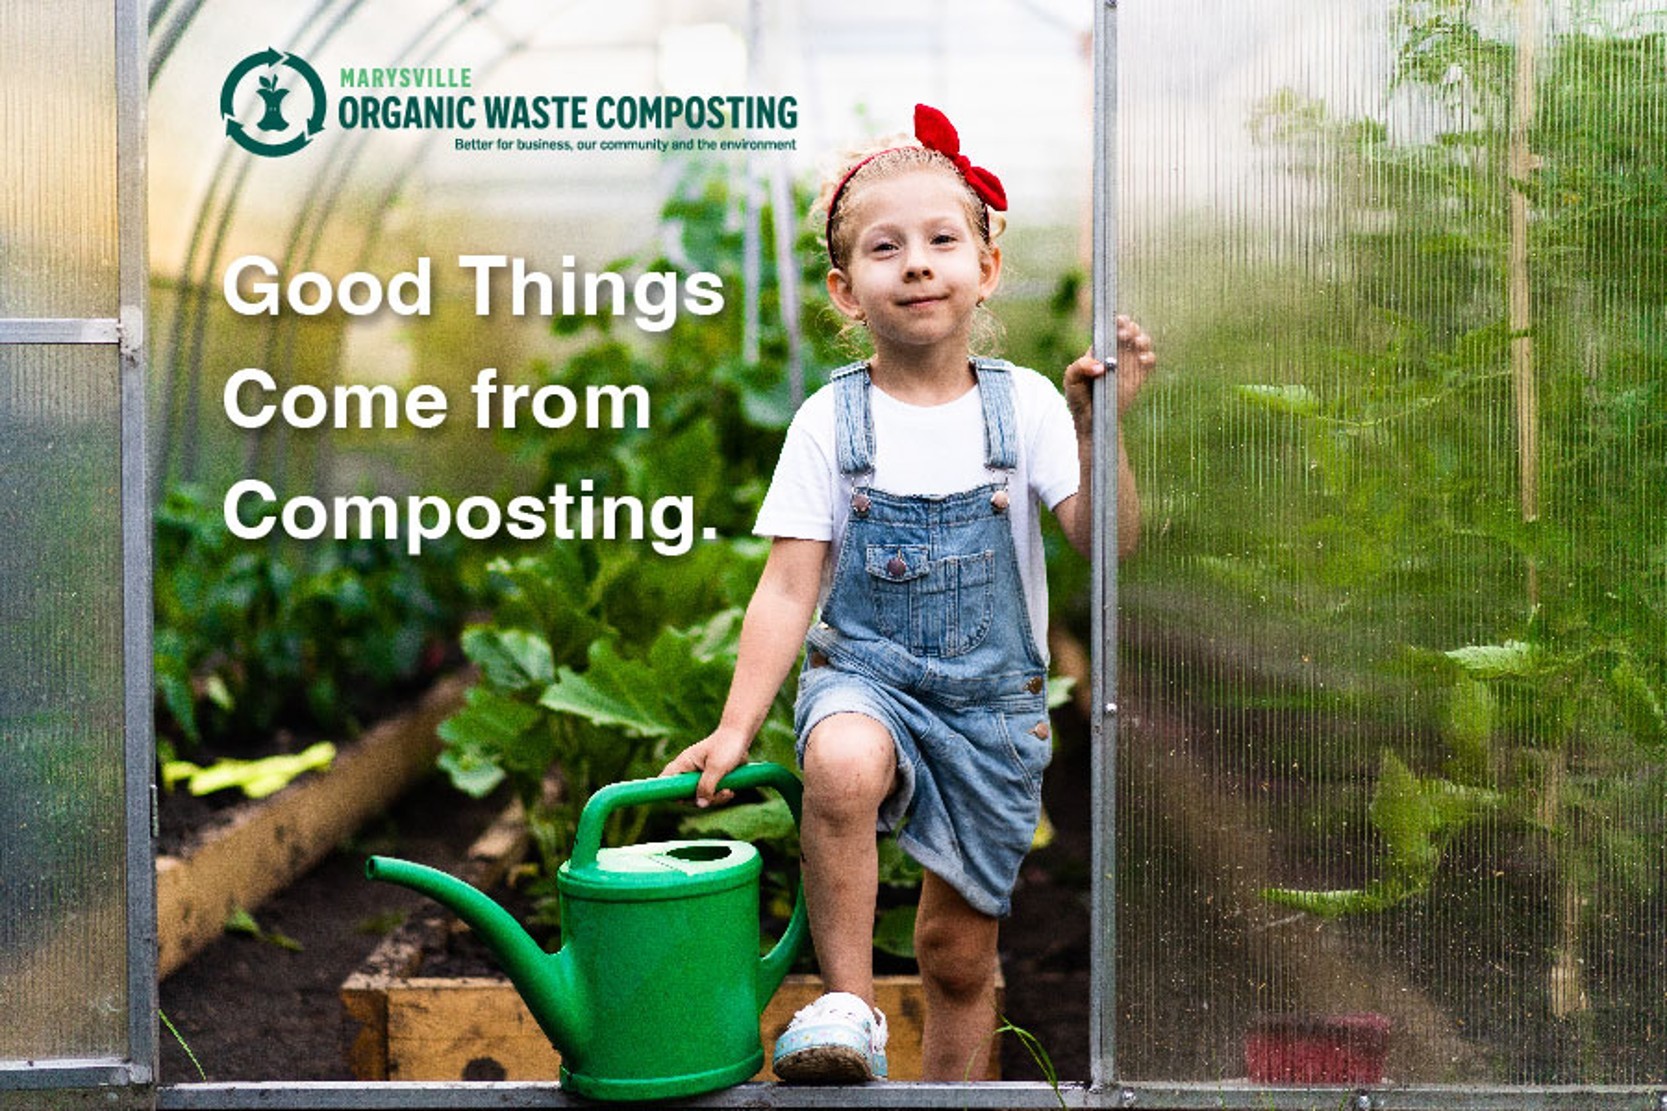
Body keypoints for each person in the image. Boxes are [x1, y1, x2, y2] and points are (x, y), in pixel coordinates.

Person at [660, 103, 1155, 1084]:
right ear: (847, 293)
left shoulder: (1031, 407)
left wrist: (1100, 431)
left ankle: (947, 1094)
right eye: (885, 248)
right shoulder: (825, 421)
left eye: (940, 239)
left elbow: (1109, 543)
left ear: (985, 269)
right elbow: (786, 584)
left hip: (989, 706)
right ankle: (845, 1001)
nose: (917, 263)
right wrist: (733, 725)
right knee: (840, 764)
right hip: (869, 674)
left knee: (956, 954)